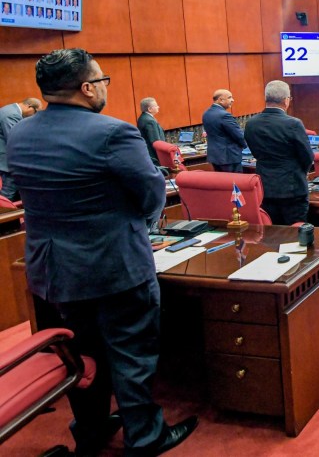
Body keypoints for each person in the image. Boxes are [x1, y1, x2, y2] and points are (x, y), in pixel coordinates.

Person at [7, 48, 197, 456]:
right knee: (132, 354)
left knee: (83, 355)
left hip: (55, 271)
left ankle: (91, 430)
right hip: (115, 267)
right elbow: (152, 195)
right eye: (103, 80)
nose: (104, 87)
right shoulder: (112, 132)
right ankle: (145, 438)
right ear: (87, 87)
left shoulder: (19, 132)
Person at [243, 81, 314, 225]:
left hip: (265, 186)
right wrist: (303, 172)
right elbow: (308, 157)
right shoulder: (293, 124)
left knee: (272, 233)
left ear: (266, 98)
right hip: (292, 188)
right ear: (286, 100)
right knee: (294, 234)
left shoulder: (251, 123)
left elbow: (254, 151)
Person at [0, 97, 42, 200]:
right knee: (7, 195)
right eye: (36, 112)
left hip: (8, 159)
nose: (34, 116)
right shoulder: (12, 115)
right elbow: (15, 139)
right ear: (29, 107)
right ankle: (5, 214)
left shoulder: (10, 109)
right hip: (8, 163)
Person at [202, 89, 246, 173]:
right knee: (234, 183)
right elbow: (239, 136)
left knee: (222, 184)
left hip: (215, 157)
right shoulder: (225, 115)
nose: (233, 100)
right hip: (229, 157)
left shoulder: (206, 113)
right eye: (229, 97)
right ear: (221, 100)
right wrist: (247, 146)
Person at [136, 97, 165, 166]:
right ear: (150, 109)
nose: (158, 107)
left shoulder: (143, 117)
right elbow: (156, 142)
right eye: (156, 106)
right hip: (154, 156)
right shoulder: (150, 121)